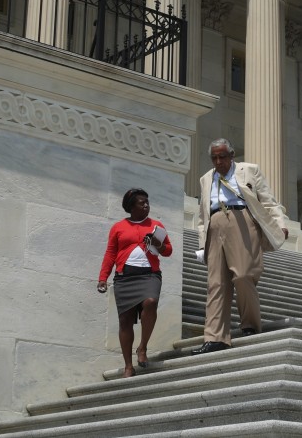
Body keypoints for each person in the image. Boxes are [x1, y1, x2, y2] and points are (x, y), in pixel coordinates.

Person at [192, 138, 289, 355]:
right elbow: (202, 215)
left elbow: (269, 202)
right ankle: (215, 337)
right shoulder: (206, 178)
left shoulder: (249, 171)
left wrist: (280, 224)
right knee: (216, 284)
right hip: (215, 225)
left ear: (232, 155)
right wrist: (202, 245)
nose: (218, 161)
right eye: (214, 158)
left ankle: (250, 325)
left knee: (244, 275)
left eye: (222, 157)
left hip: (242, 219)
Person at [97, 188, 173, 378]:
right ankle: (128, 366)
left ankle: (143, 347)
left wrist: (158, 243)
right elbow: (110, 254)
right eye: (141, 203)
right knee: (125, 321)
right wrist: (102, 278)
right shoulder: (118, 227)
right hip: (125, 278)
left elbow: (168, 251)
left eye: (147, 202)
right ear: (131, 206)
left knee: (151, 302)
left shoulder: (156, 225)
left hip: (150, 275)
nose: (146, 205)